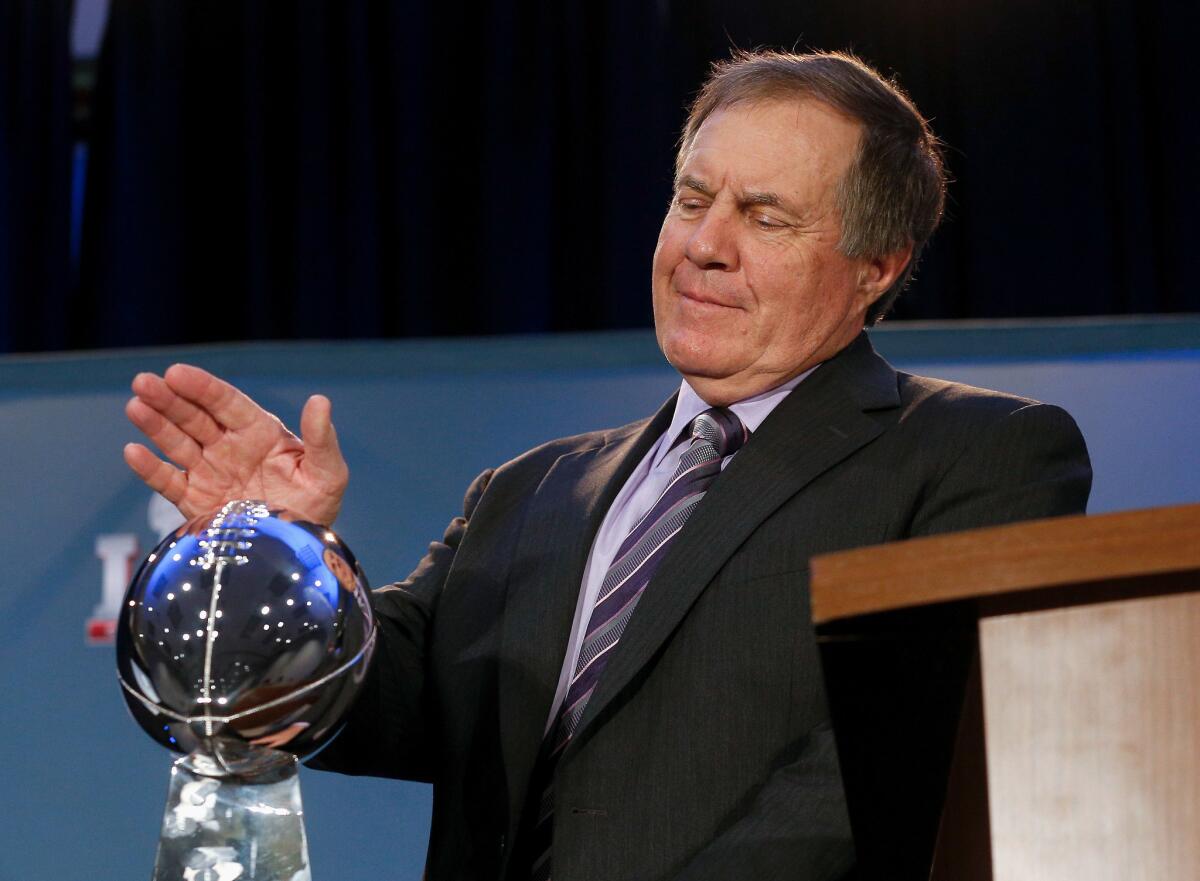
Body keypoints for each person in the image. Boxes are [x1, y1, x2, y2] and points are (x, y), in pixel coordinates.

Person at [124, 50, 1091, 881]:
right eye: (692, 199)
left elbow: (900, 766)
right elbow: (384, 705)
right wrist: (278, 555)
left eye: (764, 216)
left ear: (877, 264)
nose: (705, 246)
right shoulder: (528, 488)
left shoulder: (980, 454)